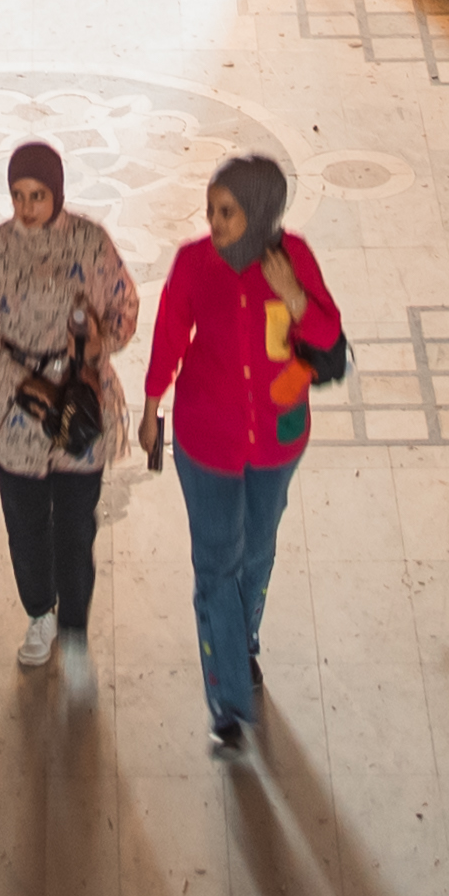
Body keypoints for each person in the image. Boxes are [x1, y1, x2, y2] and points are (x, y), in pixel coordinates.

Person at [135, 151, 342, 754]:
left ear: (260, 211)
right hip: (207, 442)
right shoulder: (194, 264)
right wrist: (151, 407)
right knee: (214, 567)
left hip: (277, 440)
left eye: (227, 212)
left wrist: (294, 297)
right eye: (211, 210)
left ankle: (241, 637)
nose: (215, 222)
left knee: (258, 552)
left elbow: (329, 337)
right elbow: (171, 330)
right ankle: (226, 698)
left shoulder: (292, 258)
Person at [0, 136, 140, 676]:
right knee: (25, 521)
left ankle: (75, 625)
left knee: (77, 524)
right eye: (18, 195)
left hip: (81, 397)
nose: (27, 208)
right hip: (17, 409)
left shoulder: (90, 242)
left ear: (57, 192)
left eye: (38, 195)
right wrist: (16, 376)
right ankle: (40, 610)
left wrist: (97, 344)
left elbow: (124, 306)